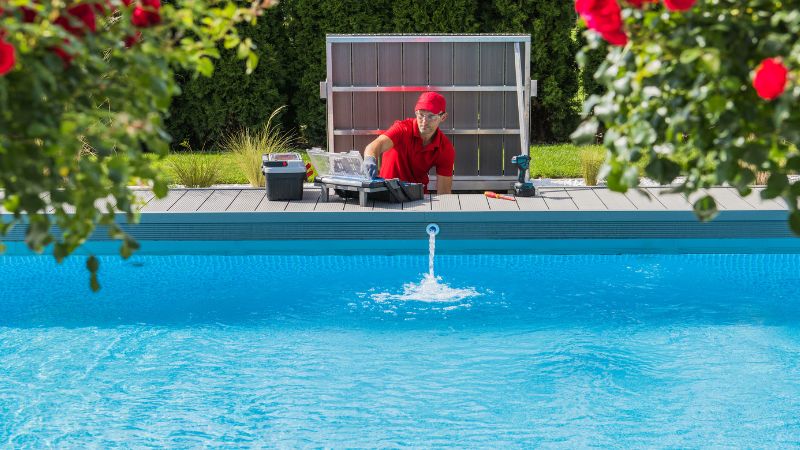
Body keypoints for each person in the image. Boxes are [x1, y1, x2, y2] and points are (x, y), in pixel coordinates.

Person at [362, 91, 455, 194]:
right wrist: (370, 159)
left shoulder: (445, 148)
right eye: (420, 115)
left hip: (418, 197)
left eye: (431, 116)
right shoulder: (402, 129)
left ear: (443, 117)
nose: (424, 121)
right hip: (386, 192)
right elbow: (377, 144)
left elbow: (444, 193)